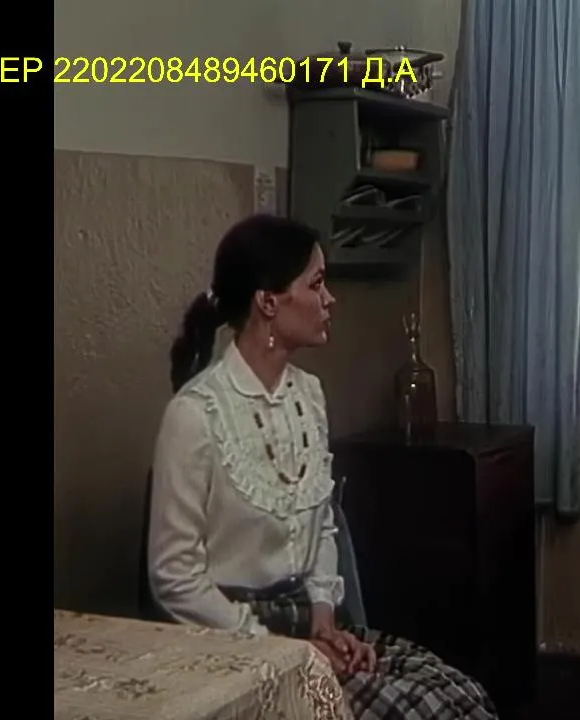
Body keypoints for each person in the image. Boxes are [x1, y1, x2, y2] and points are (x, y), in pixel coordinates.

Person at [149, 215, 496, 719]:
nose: (330, 299)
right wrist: (279, 650)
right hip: (235, 643)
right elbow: (174, 578)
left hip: (305, 624)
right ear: (269, 302)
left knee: (458, 696)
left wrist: (324, 619)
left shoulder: (308, 395)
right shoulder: (196, 414)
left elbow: (324, 523)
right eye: (316, 284)